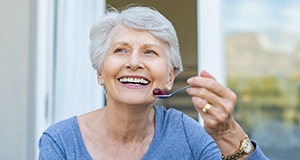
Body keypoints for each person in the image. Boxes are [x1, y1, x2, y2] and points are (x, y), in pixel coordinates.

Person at [38, 6, 268, 160]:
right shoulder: (61, 143)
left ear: (170, 77)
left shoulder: (186, 134)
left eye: (149, 52)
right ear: (100, 72)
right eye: (121, 50)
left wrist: (227, 133)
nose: (134, 62)